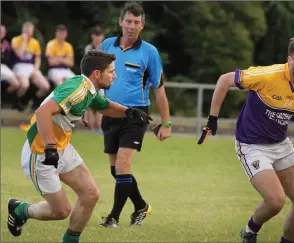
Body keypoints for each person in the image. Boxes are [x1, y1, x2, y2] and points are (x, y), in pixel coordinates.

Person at [7, 50, 152, 243]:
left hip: (61, 149)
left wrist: (129, 112)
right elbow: (43, 112)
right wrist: (50, 146)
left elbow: (104, 106)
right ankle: (19, 209)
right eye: (111, 71)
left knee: (91, 194)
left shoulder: (90, 89)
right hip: (40, 152)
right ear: (96, 73)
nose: (115, 75)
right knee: (61, 211)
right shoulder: (78, 89)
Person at [198, 33, 294, 243]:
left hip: (281, 144)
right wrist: (213, 118)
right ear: (290, 59)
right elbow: (224, 80)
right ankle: (250, 230)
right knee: (275, 201)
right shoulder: (267, 76)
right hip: (251, 145)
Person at [98, 2, 171, 228]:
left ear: (142, 25)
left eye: (136, 22)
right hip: (109, 111)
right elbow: (95, 78)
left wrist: (166, 122)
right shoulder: (107, 45)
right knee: (116, 170)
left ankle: (113, 218)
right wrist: (88, 104)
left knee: (122, 167)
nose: (131, 26)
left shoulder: (150, 52)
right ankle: (140, 206)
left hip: (136, 115)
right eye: (128, 21)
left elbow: (159, 89)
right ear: (121, 22)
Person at [11, 21, 50, 111]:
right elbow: (20, 54)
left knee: (45, 86)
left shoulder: (35, 42)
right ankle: (17, 102)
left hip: (31, 66)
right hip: (19, 65)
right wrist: (24, 41)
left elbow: (37, 59)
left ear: (32, 31)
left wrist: (35, 70)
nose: (28, 33)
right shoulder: (16, 40)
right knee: (24, 85)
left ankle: (34, 102)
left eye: (29, 31)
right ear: (22, 30)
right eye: (26, 30)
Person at [83, 26, 105, 134]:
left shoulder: (104, 47)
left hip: (101, 80)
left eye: (99, 35)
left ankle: (99, 130)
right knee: (90, 107)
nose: (97, 37)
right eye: (95, 35)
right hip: (90, 80)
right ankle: (92, 131)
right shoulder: (88, 48)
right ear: (92, 36)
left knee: (100, 106)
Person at [1, 24, 20, 95]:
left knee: (16, 84)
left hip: (3, 67)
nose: (1, 33)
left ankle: (3, 97)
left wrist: (3, 52)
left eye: (3, 32)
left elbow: (7, 59)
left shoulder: (6, 44)